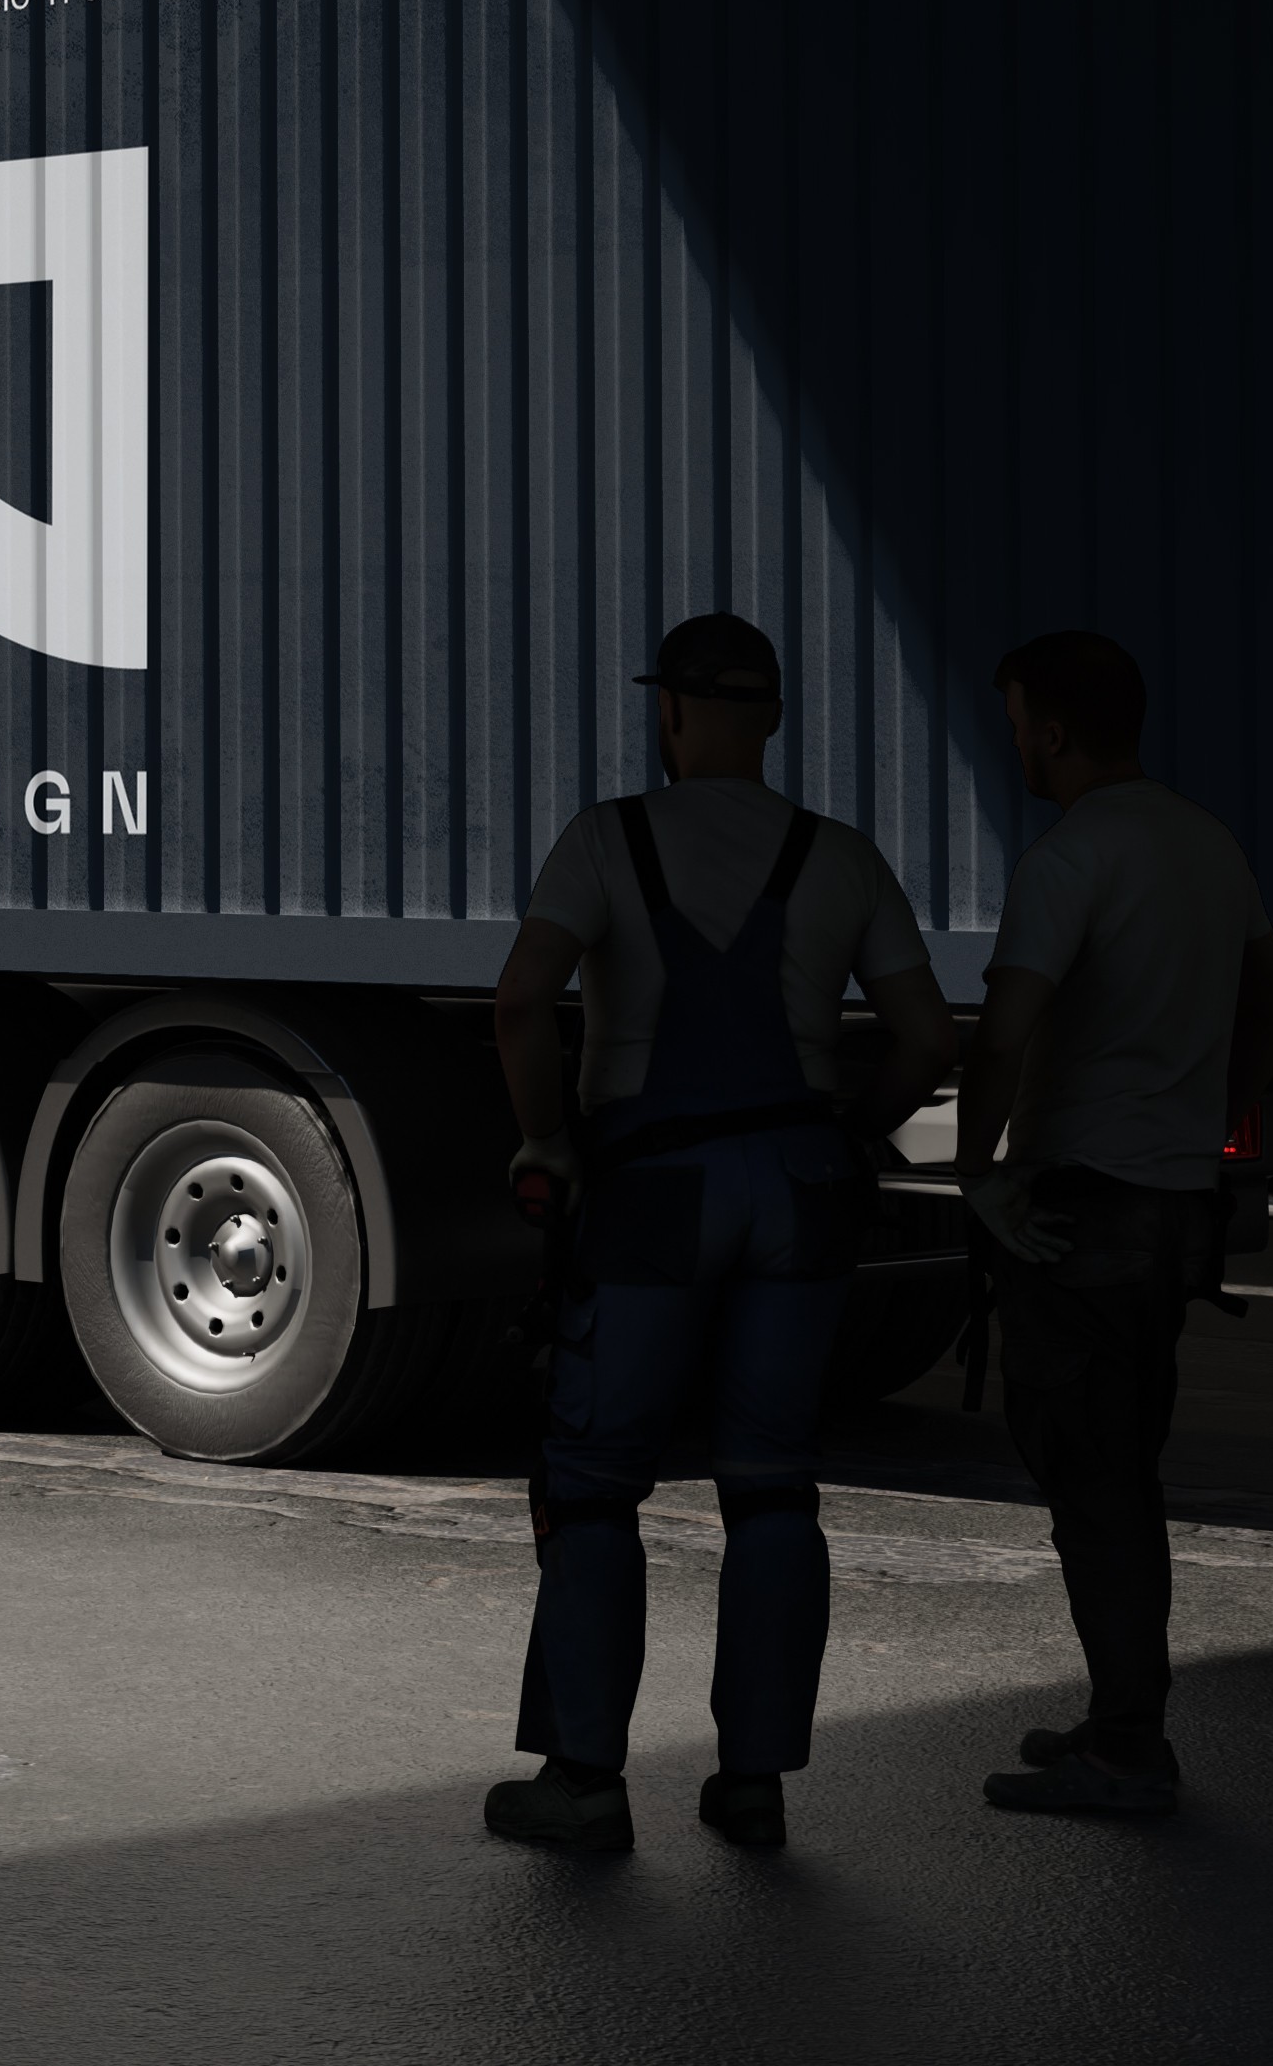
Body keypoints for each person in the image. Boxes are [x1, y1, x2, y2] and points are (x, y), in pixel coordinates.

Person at [482, 613, 956, 1855]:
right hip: (797, 1187)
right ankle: (752, 1785)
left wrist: (545, 1139)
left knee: (594, 1488)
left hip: (651, 1189)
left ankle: (584, 1783)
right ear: (774, 719)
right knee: (770, 1485)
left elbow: (522, 1000)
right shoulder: (839, 857)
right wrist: (850, 1130)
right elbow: (924, 1036)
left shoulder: (606, 839)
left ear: (670, 711)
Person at [961, 630, 1273, 1817]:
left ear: (1052, 731)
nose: (1013, 743)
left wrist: (976, 1174)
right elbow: (1272, 999)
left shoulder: (1069, 857)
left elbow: (1003, 1033)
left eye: (1017, 723)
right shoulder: (1204, 842)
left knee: (1089, 1477)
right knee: (1122, 1467)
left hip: (1083, 1207)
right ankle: (1118, 1717)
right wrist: (1211, 1110)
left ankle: (1125, 1751)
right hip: (1169, 1208)